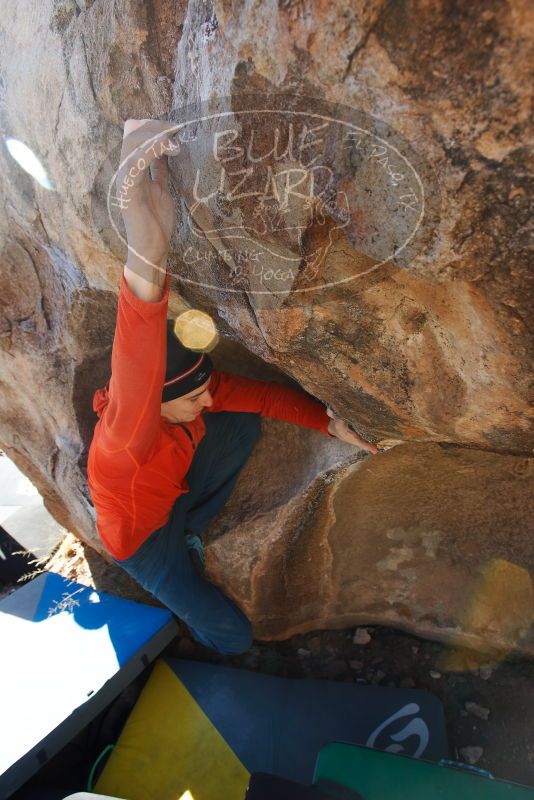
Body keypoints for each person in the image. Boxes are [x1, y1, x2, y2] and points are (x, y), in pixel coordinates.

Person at [87, 119, 378, 656]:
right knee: (233, 636)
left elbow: (261, 398)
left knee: (239, 423)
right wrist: (146, 245)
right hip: (144, 545)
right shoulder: (125, 440)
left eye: (205, 389)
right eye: (194, 396)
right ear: (155, 400)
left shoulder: (187, 399)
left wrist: (330, 423)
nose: (207, 399)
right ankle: (196, 647)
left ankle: (193, 526)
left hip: (170, 496)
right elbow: (137, 354)